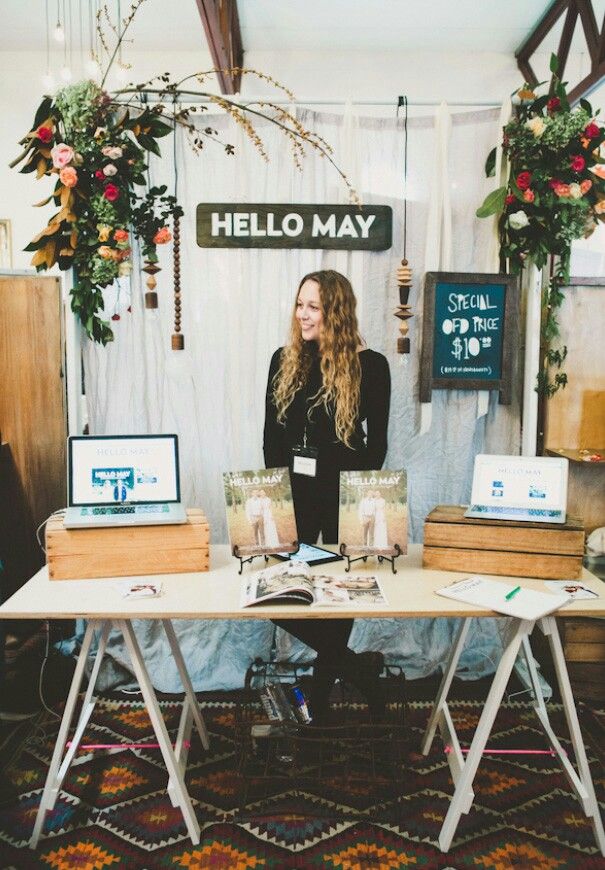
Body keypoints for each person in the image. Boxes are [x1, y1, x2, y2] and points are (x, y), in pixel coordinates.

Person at [263, 269, 391, 724]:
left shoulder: (371, 365)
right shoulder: (285, 359)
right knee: (275, 594)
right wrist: (277, 504)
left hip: (344, 497)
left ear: (335, 311)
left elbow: (376, 444)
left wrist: (359, 500)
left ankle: (318, 696)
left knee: (339, 598)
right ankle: (357, 669)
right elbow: (271, 440)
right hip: (295, 497)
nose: (302, 314)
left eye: (313, 306)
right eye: (300, 304)